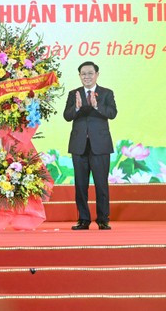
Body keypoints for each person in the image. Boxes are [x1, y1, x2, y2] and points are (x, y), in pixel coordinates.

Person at [63, 61, 117, 230]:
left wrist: (96, 106)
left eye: (90, 73)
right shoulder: (74, 94)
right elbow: (67, 116)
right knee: (80, 185)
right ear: (79, 76)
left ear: (97, 74)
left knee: (101, 184)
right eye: (83, 74)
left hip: (100, 146)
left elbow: (112, 113)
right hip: (79, 146)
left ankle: (102, 219)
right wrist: (77, 108)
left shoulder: (106, 93)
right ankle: (84, 220)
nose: (87, 76)